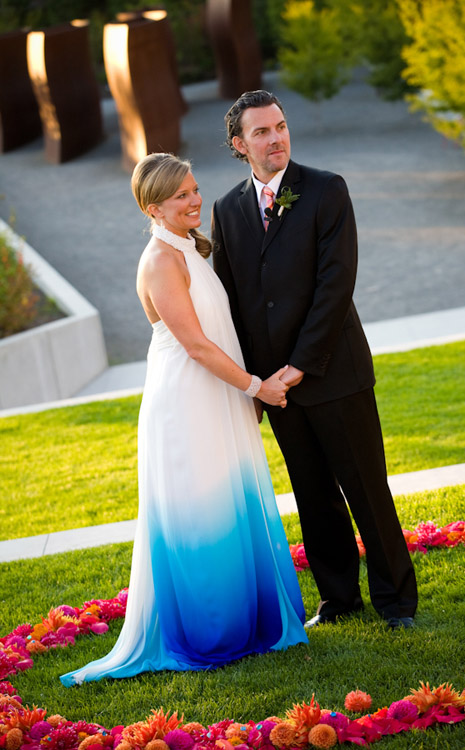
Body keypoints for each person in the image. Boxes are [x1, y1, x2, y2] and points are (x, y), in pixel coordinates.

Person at [60, 153, 307, 686]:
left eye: (195, 189)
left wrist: (244, 389)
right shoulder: (161, 261)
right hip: (188, 399)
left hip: (217, 392)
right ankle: (210, 633)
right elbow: (195, 344)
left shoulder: (190, 247)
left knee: (231, 498)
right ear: (154, 207)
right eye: (182, 196)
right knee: (201, 510)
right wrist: (254, 386)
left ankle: (252, 621)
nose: (196, 200)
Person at [211, 90, 418, 630]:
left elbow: (335, 286)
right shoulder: (227, 209)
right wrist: (255, 385)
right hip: (276, 389)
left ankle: (397, 603)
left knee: (368, 491)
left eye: (280, 126)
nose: (276, 137)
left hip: (334, 371)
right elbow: (230, 298)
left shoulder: (327, 189)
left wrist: (299, 365)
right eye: (261, 131)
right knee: (313, 496)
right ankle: (339, 600)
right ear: (239, 144)